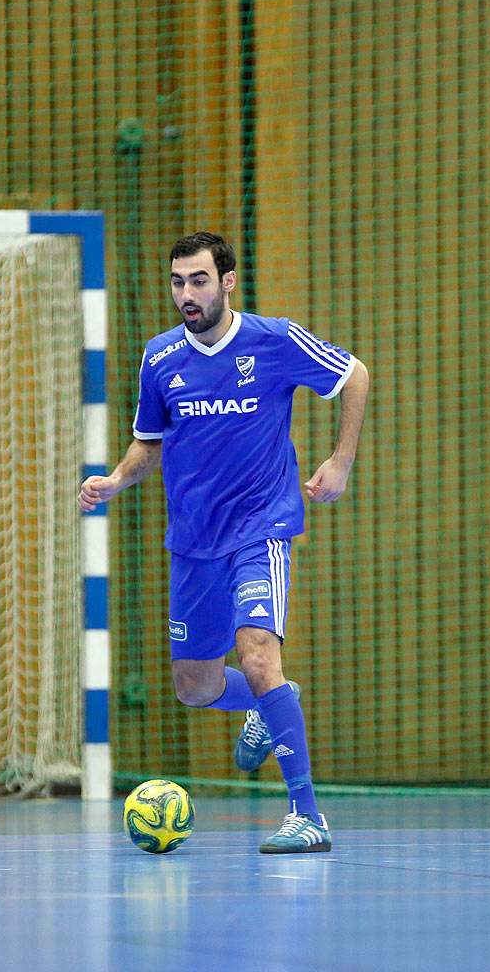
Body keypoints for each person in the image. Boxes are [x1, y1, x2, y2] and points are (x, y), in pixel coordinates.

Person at [79, 232, 369, 853]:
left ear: (228, 282)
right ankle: (271, 705)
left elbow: (355, 375)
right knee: (196, 686)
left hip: (260, 526)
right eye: (179, 281)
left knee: (259, 655)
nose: (187, 293)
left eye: (200, 280)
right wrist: (116, 480)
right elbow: (150, 443)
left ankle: (307, 814)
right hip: (193, 540)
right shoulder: (160, 359)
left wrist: (341, 461)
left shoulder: (273, 339)